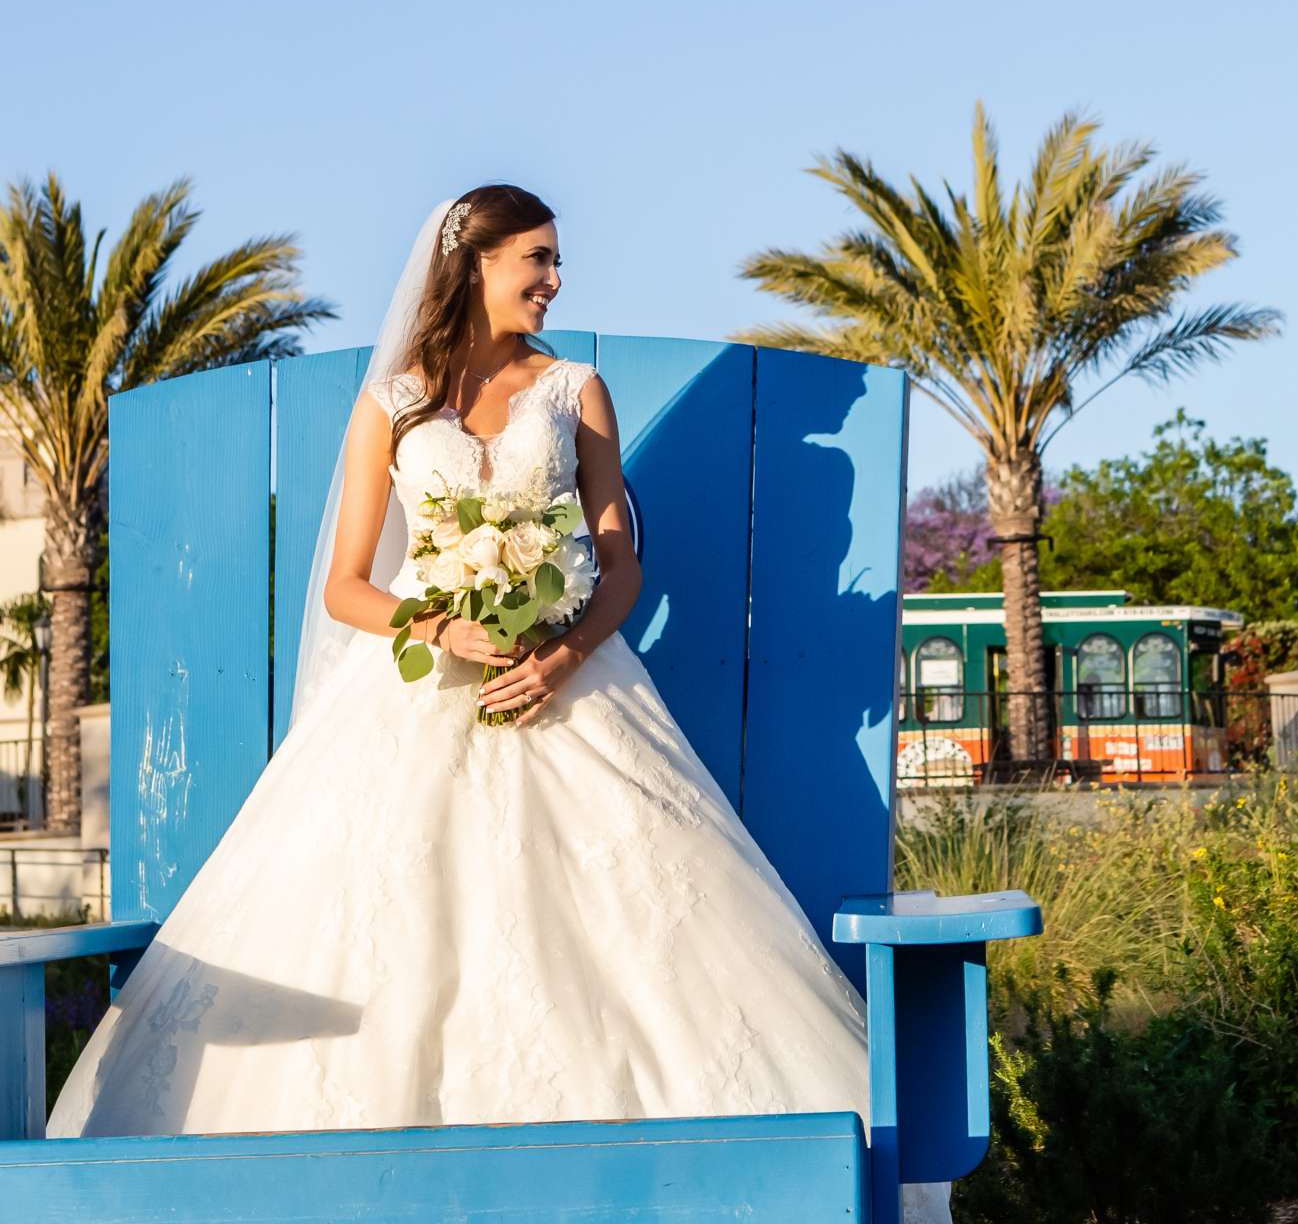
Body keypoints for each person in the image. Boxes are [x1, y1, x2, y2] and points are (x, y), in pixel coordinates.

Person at [47, 187, 950, 1223]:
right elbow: (347, 584)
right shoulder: (392, 403)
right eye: (537, 257)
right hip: (415, 696)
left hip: (569, 689)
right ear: (471, 260)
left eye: (556, 260)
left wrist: (562, 655)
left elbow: (621, 568)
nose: (555, 278)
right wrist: (438, 625)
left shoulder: (575, 389)